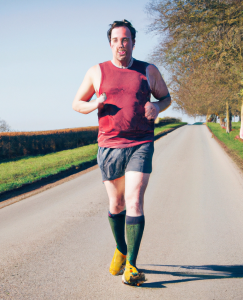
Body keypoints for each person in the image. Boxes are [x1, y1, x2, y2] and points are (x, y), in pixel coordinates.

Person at [72, 20, 171, 286]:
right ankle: (120, 248)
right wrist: (95, 104)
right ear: (110, 44)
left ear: (133, 43)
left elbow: (166, 97)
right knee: (116, 204)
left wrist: (157, 107)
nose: (121, 45)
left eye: (125, 40)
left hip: (141, 142)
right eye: (116, 40)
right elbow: (76, 103)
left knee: (134, 201)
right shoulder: (97, 71)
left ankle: (132, 266)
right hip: (109, 146)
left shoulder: (148, 70)